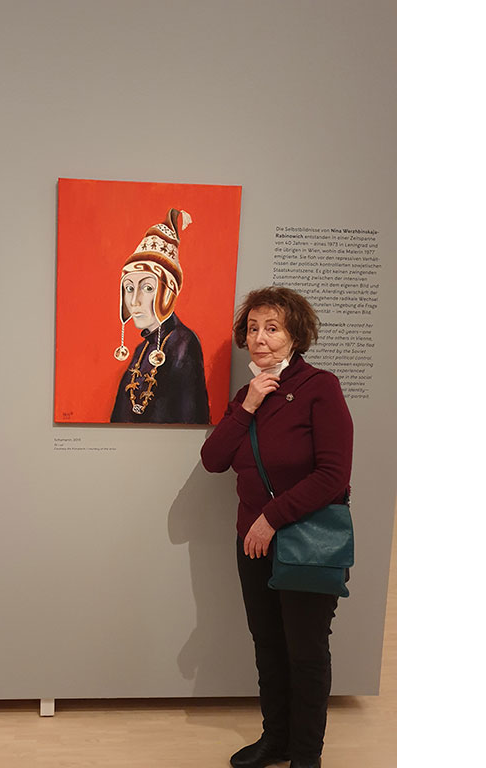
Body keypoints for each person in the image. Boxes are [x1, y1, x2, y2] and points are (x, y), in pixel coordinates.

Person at [200, 286, 353, 768]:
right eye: (252, 328)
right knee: (268, 648)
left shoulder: (319, 387)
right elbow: (212, 460)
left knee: (306, 653)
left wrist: (271, 517)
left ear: (295, 336)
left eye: (272, 328)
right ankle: (277, 740)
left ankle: (306, 756)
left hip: (305, 540)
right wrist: (246, 407)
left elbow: (333, 476)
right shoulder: (246, 396)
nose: (260, 339)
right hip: (253, 544)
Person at [109, 208, 209, 423]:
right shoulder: (140, 349)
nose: (134, 301)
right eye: (128, 288)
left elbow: (191, 420)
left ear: (167, 292)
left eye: (146, 288)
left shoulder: (184, 343)